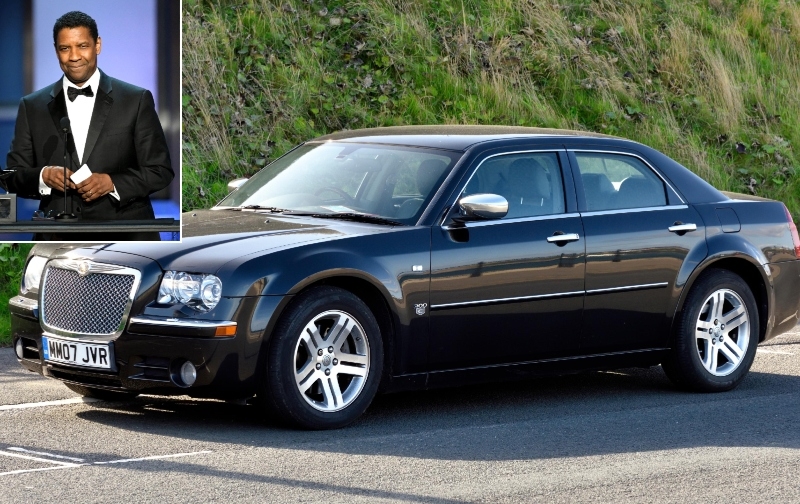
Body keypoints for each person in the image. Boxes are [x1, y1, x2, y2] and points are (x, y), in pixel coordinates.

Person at [3, 11, 173, 241]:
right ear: (56, 51)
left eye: (82, 46)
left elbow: (160, 170)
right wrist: (44, 176)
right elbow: (12, 176)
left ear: (97, 45)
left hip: (126, 234)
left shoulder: (136, 99)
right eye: (65, 48)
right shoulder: (32, 106)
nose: (74, 56)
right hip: (58, 239)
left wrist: (112, 183)